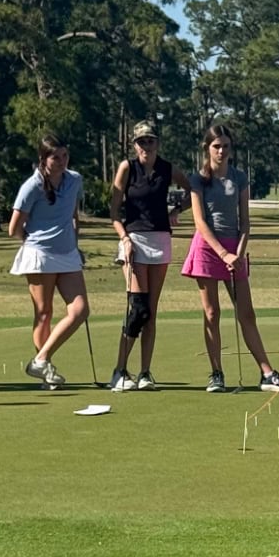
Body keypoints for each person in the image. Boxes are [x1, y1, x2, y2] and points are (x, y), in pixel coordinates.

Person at [181, 124, 279, 393]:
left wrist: (238, 253)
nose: (221, 151)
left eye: (226, 146)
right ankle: (216, 373)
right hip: (209, 249)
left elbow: (245, 222)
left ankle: (266, 373)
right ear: (207, 148)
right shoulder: (198, 179)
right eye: (216, 146)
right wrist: (223, 253)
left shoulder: (239, 178)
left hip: (235, 250)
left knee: (246, 313)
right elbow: (200, 222)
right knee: (211, 312)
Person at [108, 121, 190, 392]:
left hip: (161, 241)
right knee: (139, 310)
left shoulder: (167, 169)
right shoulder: (126, 168)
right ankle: (119, 370)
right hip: (134, 241)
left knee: (151, 313)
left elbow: (193, 189)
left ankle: (144, 373)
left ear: (157, 143)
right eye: (141, 142)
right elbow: (114, 212)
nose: (146, 146)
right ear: (134, 145)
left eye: (150, 141)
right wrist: (124, 238)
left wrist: (177, 211)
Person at [9, 133, 89, 387]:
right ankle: (46, 370)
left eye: (65, 155)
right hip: (40, 255)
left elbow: (73, 216)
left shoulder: (74, 180)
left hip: (68, 254)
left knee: (80, 310)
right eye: (56, 157)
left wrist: (75, 245)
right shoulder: (31, 186)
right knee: (44, 313)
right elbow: (14, 228)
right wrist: (34, 243)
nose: (62, 161)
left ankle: (41, 359)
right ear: (44, 158)